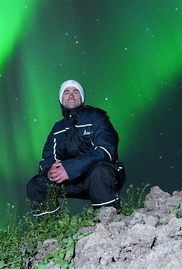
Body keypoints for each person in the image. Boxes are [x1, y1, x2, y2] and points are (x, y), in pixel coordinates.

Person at [26, 79, 126, 216]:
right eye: (66, 92)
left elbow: (105, 150)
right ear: (61, 99)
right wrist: (49, 171)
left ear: (81, 97)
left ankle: (109, 223)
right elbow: (48, 158)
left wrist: (70, 168)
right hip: (71, 180)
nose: (71, 96)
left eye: (75, 92)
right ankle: (50, 230)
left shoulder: (96, 117)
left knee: (99, 170)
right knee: (36, 185)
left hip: (100, 177)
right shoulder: (57, 128)